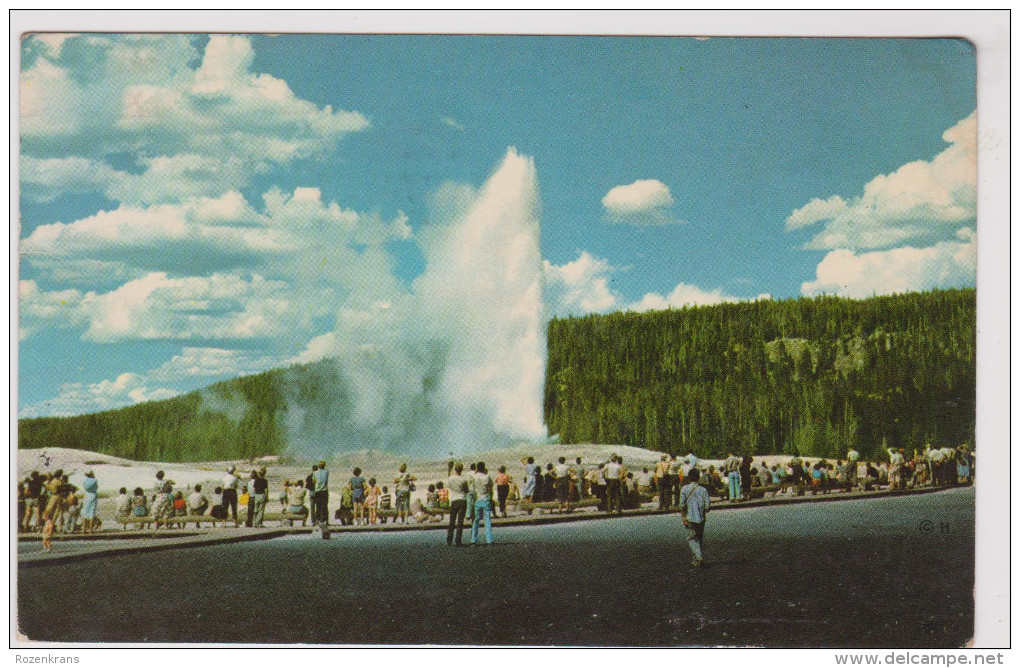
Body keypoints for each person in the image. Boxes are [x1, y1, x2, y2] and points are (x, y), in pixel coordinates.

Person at [679, 468, 710, 567]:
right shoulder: (703, 490)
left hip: (689, 517)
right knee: (699, 537)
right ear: (698, 477)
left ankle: (698, 556)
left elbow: (682, 505)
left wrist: (683, 516)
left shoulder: (684, 489)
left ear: (689, 477)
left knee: (692, 538)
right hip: (701, 518)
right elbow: (707, 507)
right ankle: (696, 559)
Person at [470, 462, 494, 545]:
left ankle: (473, 540)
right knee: (487, 520)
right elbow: (491, 486)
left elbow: (472, 489)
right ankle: (489, 540)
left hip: (478, 499)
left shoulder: (474, 477)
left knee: (475, 520)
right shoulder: (487, 476)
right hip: (486, 498)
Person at [447, 462, 469, 546]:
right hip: (462, 499)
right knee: (460, 521)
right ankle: (458, 541)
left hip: (453, 500)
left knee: (452, 521)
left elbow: (449, 479)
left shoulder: (450, 478)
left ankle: (449, 540)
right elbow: (466, 490)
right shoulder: (463, 479)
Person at [80, 470, 99, 534]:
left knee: (84, 512)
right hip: (93, 495)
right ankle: (90, 529)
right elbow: (96, 487)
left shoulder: (85, 481)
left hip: (87, 495)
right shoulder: (94, 480)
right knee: (91, 512)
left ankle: (84, 529)